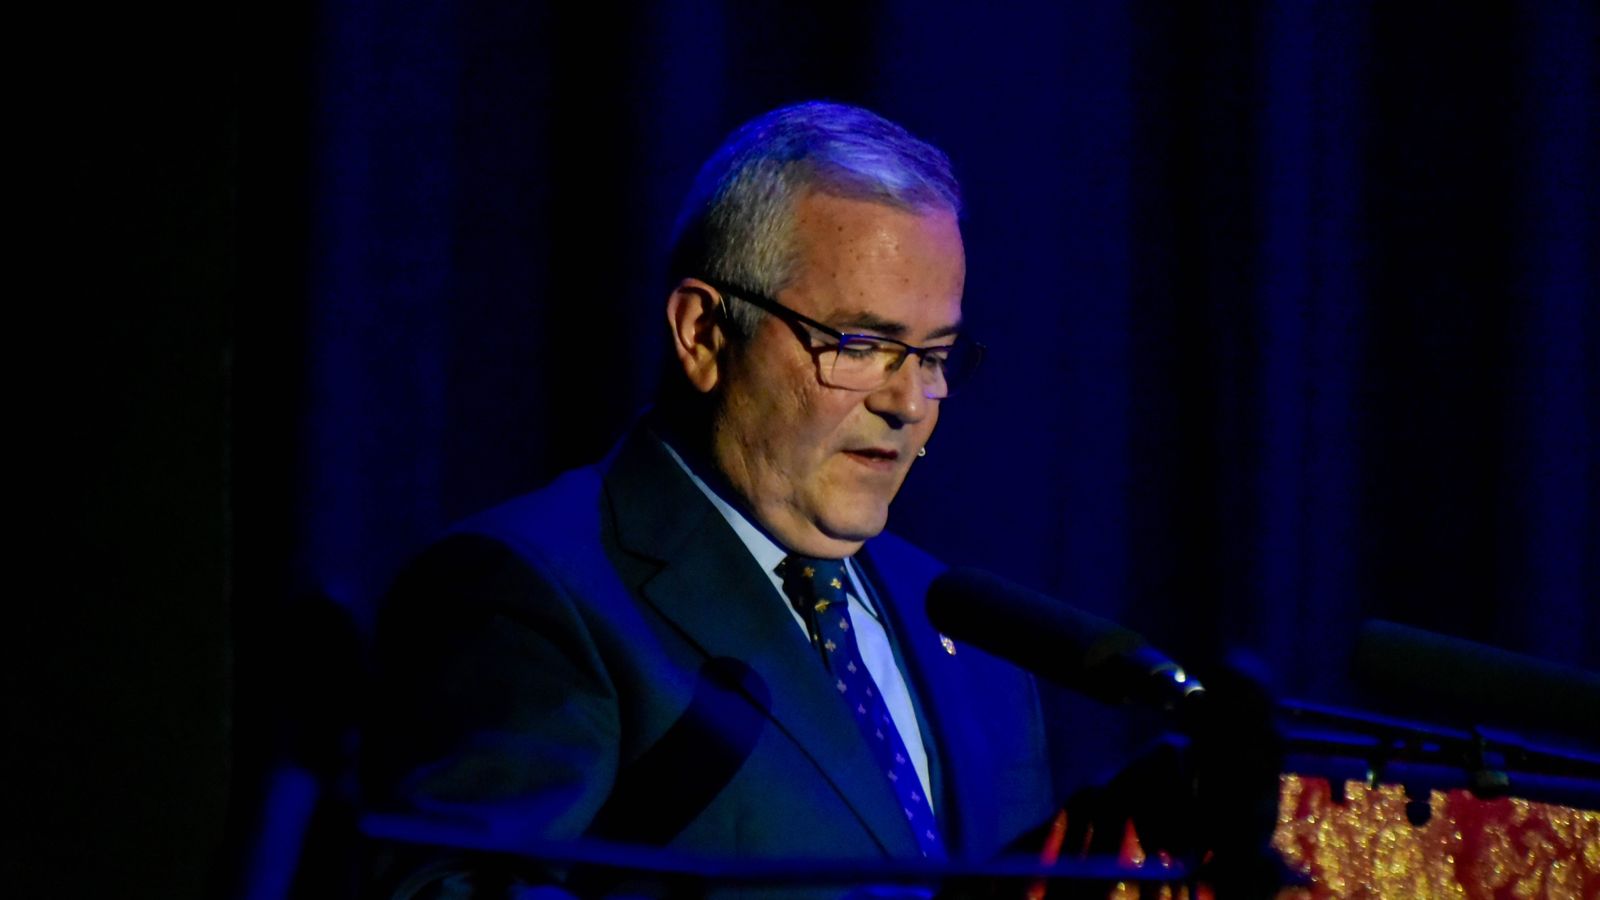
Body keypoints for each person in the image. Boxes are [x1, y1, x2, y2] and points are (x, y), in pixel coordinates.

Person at [362, 100, 1056, 897]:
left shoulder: (977, 645)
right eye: (862, 346)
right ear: (702, 333)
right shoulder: (532, 593)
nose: (907, 402)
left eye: (932, 355)